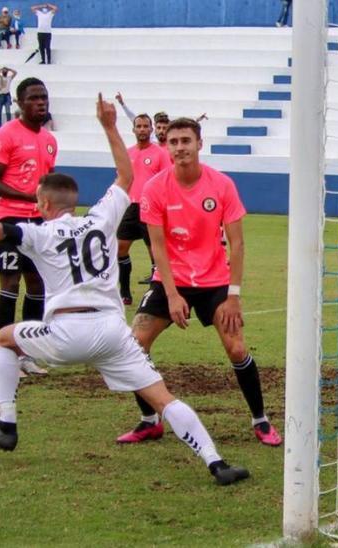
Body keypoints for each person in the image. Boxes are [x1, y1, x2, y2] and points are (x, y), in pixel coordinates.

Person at [0, 96, 251, 486]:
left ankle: (7, 424)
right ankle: (217, 463)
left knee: (3, 340)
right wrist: (109, 126)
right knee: (163, 398)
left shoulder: (38, 232)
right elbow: (126, 176)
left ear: (43, 202)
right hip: (112, 333)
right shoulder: (101, 218)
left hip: (65, 334)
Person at [118, 117, 281, 447]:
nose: (180, 147)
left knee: (236, 348)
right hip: (171, 280)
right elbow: (157, 247)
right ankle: (149, 421)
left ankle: (260, 420)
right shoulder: (155, 188)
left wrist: (233, 296)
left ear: (199, 144)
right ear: (167, 147)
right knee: (134, 345)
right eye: (174, 142)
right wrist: (171, 294)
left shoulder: (221, 185)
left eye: (186, 141)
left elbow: (237, 244)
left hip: (215, 281)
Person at [0, 78, 56, 379]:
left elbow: (47, 180)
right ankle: (6, 354)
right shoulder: (5, 135)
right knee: (10, 284)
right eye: (34, 98)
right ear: (19, 102)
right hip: (7, 219)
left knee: (37, 284)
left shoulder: (49, 140)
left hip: (38, 221)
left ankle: (27, 354)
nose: (41, 103)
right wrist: (30, 197)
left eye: (44, 98)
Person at [116, 113, 171, 305]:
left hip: (151, 207)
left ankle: (156, 292)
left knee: (155, 251)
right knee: (120, 248)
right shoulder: (128, 153)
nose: (142, 129)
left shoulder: (160, 153)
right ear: (133, 129)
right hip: (131, 206)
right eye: (138, 126)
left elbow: (167, 181)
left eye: (145, 126)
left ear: (151, 129)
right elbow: (121, 178)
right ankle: (124, 291)